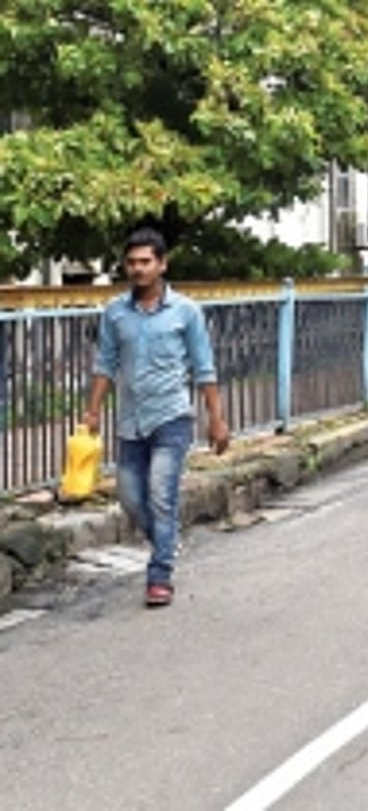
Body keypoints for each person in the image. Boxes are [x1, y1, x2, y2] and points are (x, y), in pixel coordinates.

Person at [84, 227, 230, 608]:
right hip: (130, 421)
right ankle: (167, 541)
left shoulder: (186, 312)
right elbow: (105, 364)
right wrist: (93, 410)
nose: (138, 269)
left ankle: (159, 574)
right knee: (131, 499)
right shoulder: (115, 313)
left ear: (162, 264)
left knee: (160, 494)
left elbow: (204, 368)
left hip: (172, 417)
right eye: (131, 262)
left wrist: (217, 420)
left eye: (146, 262)